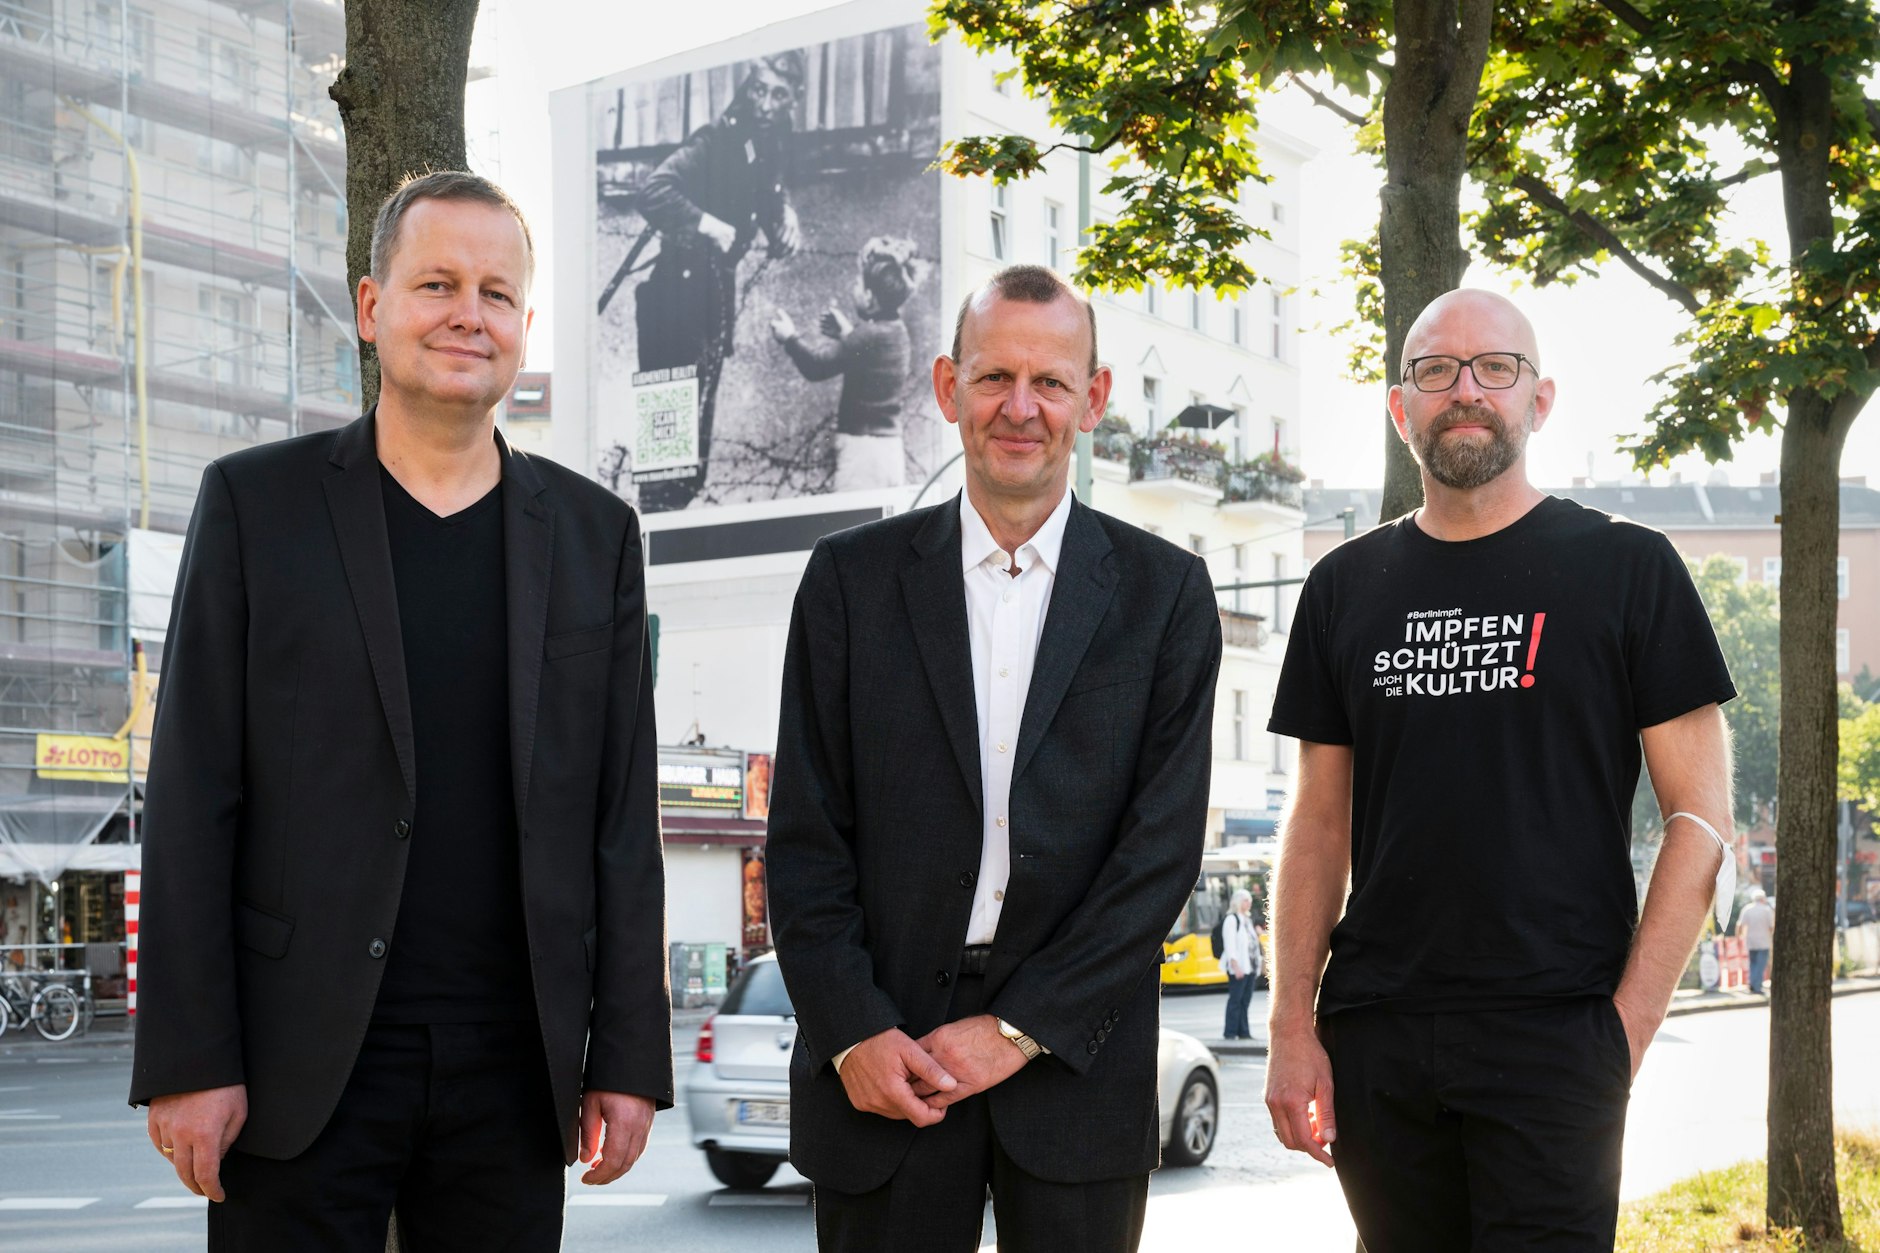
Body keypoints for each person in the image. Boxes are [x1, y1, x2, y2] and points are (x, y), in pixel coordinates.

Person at [128, 171, 671, 1250]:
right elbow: (191, 794)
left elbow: (622, 820)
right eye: (437, 284)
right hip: (296, 1058)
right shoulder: (253, 506)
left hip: (514, 1066)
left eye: (497, 293)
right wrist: (191, 1058)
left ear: (523, 325)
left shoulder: (594, 534)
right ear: (373, 308)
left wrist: (627, 1055)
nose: (470, 313)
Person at [1263, 288, 1737, 1252]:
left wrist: (1623, 1034)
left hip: (1557, 1032)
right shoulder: (1342, 586)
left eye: (1495, 368)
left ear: (1540, 398)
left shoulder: (1629, 568)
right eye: (1435, 370)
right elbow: (1318, 822)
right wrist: (1289, 1026)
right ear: (1401, 408)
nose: (1465, 390)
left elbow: (1702, 820)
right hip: (1379, 1036)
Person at [766, 264, 1223, 1253]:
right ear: (946, 387)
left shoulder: (1166, 595)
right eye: (993, 377)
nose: (1021, 407)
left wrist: (1019, 1026)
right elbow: (804, 836)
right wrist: (850, 1029)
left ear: (1092, 399)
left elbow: (1157, 858)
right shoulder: (847, 581)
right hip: (883, 1067)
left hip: (1076, 1066)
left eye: (1050, 381)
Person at [631, 52, 805, 510]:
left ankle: (678, 517)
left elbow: (765, 188)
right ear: (747, 90)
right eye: (759, 90)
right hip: (673, 300)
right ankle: (655, 520)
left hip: (711, 298)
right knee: (666, 439)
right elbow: (653, 191)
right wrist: (708, 224)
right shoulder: (714, 141)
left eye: (778, 95)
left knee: (695, 432)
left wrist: (785, 214)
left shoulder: (768, 141)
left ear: (793, 100)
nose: (765, 103)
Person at [771, 235, 927, 492]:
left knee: (855, 517)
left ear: (869, 297)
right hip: (889, 449)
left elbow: (816, 367)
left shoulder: (865, 336)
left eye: (857, 284)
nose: (853, 288)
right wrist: (848, 335)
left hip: (862, 452)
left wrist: (789, 338)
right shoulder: (897, 331)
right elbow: (871, 359)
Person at [1220, 889, 1257, 1040]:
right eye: (1246, 900)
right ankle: (1230, 1032)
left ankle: (1244, 1032)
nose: (1249, 903)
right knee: (1235, 1000)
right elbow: (1230, 946)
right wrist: (1235, 967)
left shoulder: (1247, 920)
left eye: (1250, 900)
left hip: (1250, 968)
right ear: (1238, 901)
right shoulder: (1231, 920)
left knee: (1245, 1001)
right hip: (1238, 968)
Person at [1739, 887, 1775, 994]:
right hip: (1764, 941)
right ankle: (1757, 986)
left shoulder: (1747, 909)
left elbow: (1740, 925)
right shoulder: (1767, 910)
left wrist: (1740, 936)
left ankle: (1752, 983)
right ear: (1763, 898)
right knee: (1760, 965)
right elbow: (1771, 927)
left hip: (1751, 941)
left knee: (1753, 964)